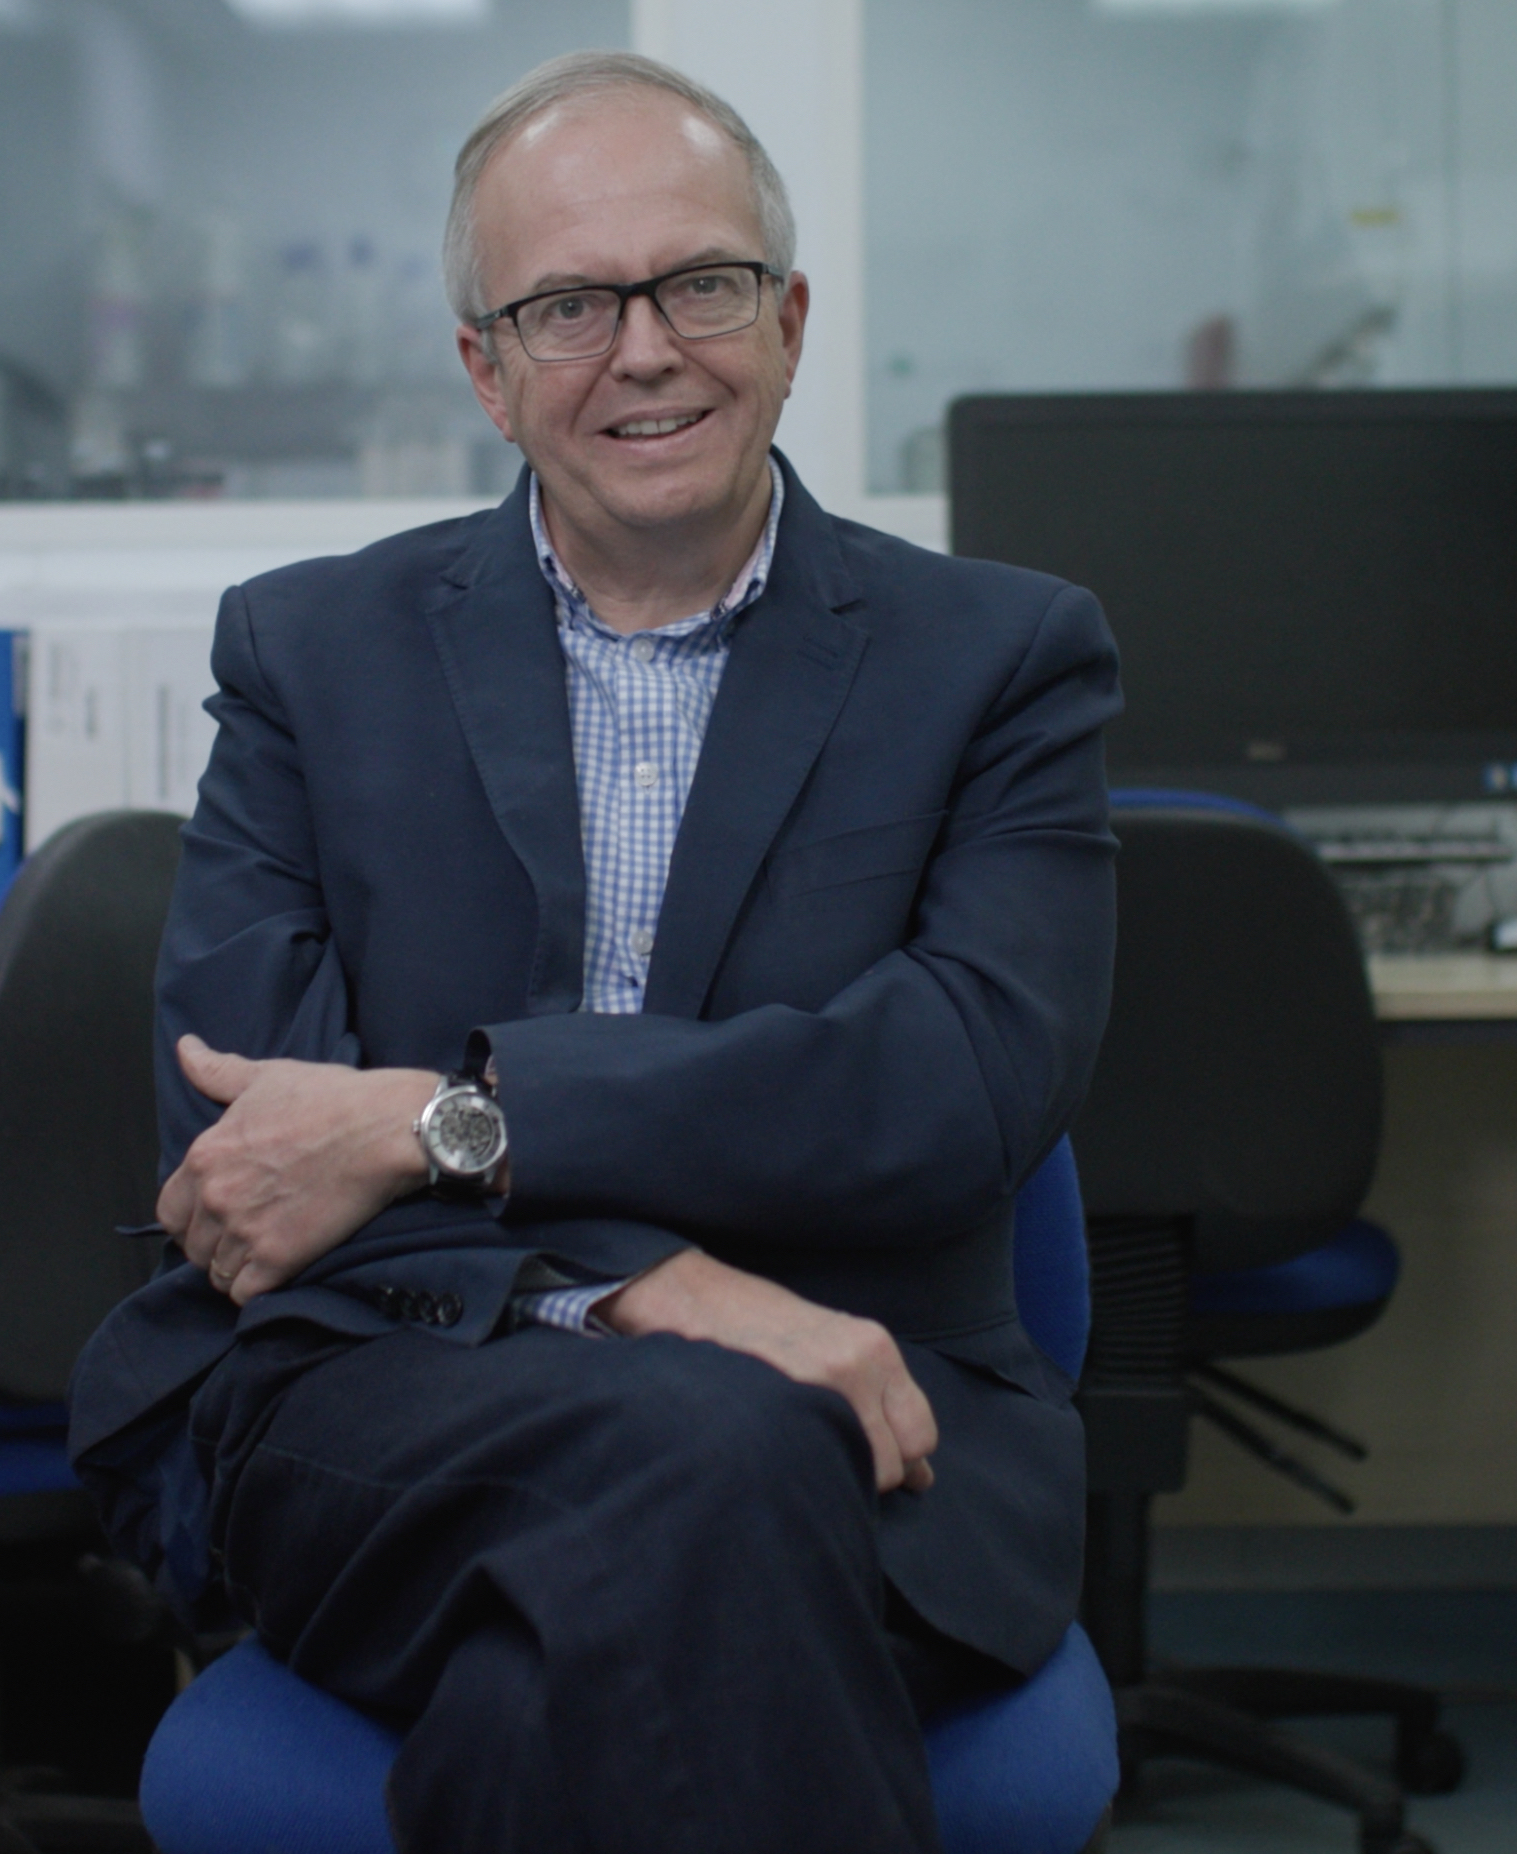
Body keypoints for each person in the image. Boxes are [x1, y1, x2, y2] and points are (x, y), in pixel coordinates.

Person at [70, 49, 1120, 1854]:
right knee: (714, 1446)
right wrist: (663, 1290)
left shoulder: (1000, 659)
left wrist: (437, 1120)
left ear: (786, 319)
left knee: (608, 1606)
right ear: (485, 368)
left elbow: (952, 1087)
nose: (643, 348)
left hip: (882, 1422)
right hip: (389, 1398)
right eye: (567, 303)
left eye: (698, 283)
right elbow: (245, 1141)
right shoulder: (311, 654)